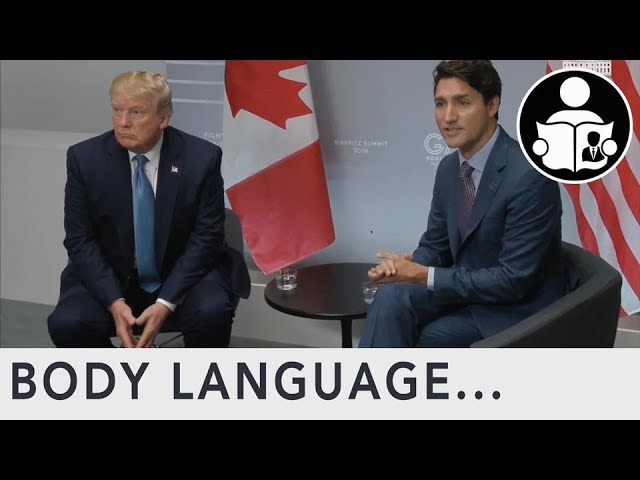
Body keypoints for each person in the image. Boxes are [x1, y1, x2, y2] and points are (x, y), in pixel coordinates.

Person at [359, 60, 574, 348]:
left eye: (462, 103)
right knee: (390, 296)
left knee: (431, 336)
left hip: (515, 309)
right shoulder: (449, 169)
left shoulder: (529, 175)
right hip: (466, 292)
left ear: (492, 105)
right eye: (440, 104)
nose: (448, 117)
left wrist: (423, 275)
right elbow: (436, 246)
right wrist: (404, 267)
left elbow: (513, 281)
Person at [48, 70, 250, 348]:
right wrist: (114, 301)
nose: (123, 122)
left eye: (136, 112)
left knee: (212, 311)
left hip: (180, 273)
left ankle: (200, 376)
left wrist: (166, 302)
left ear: (163, 118)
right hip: (112, 275)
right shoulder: (85, 159)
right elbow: (79, 239)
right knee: (67, 323)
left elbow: (207, 237)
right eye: (117, 110)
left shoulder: (201, 158)